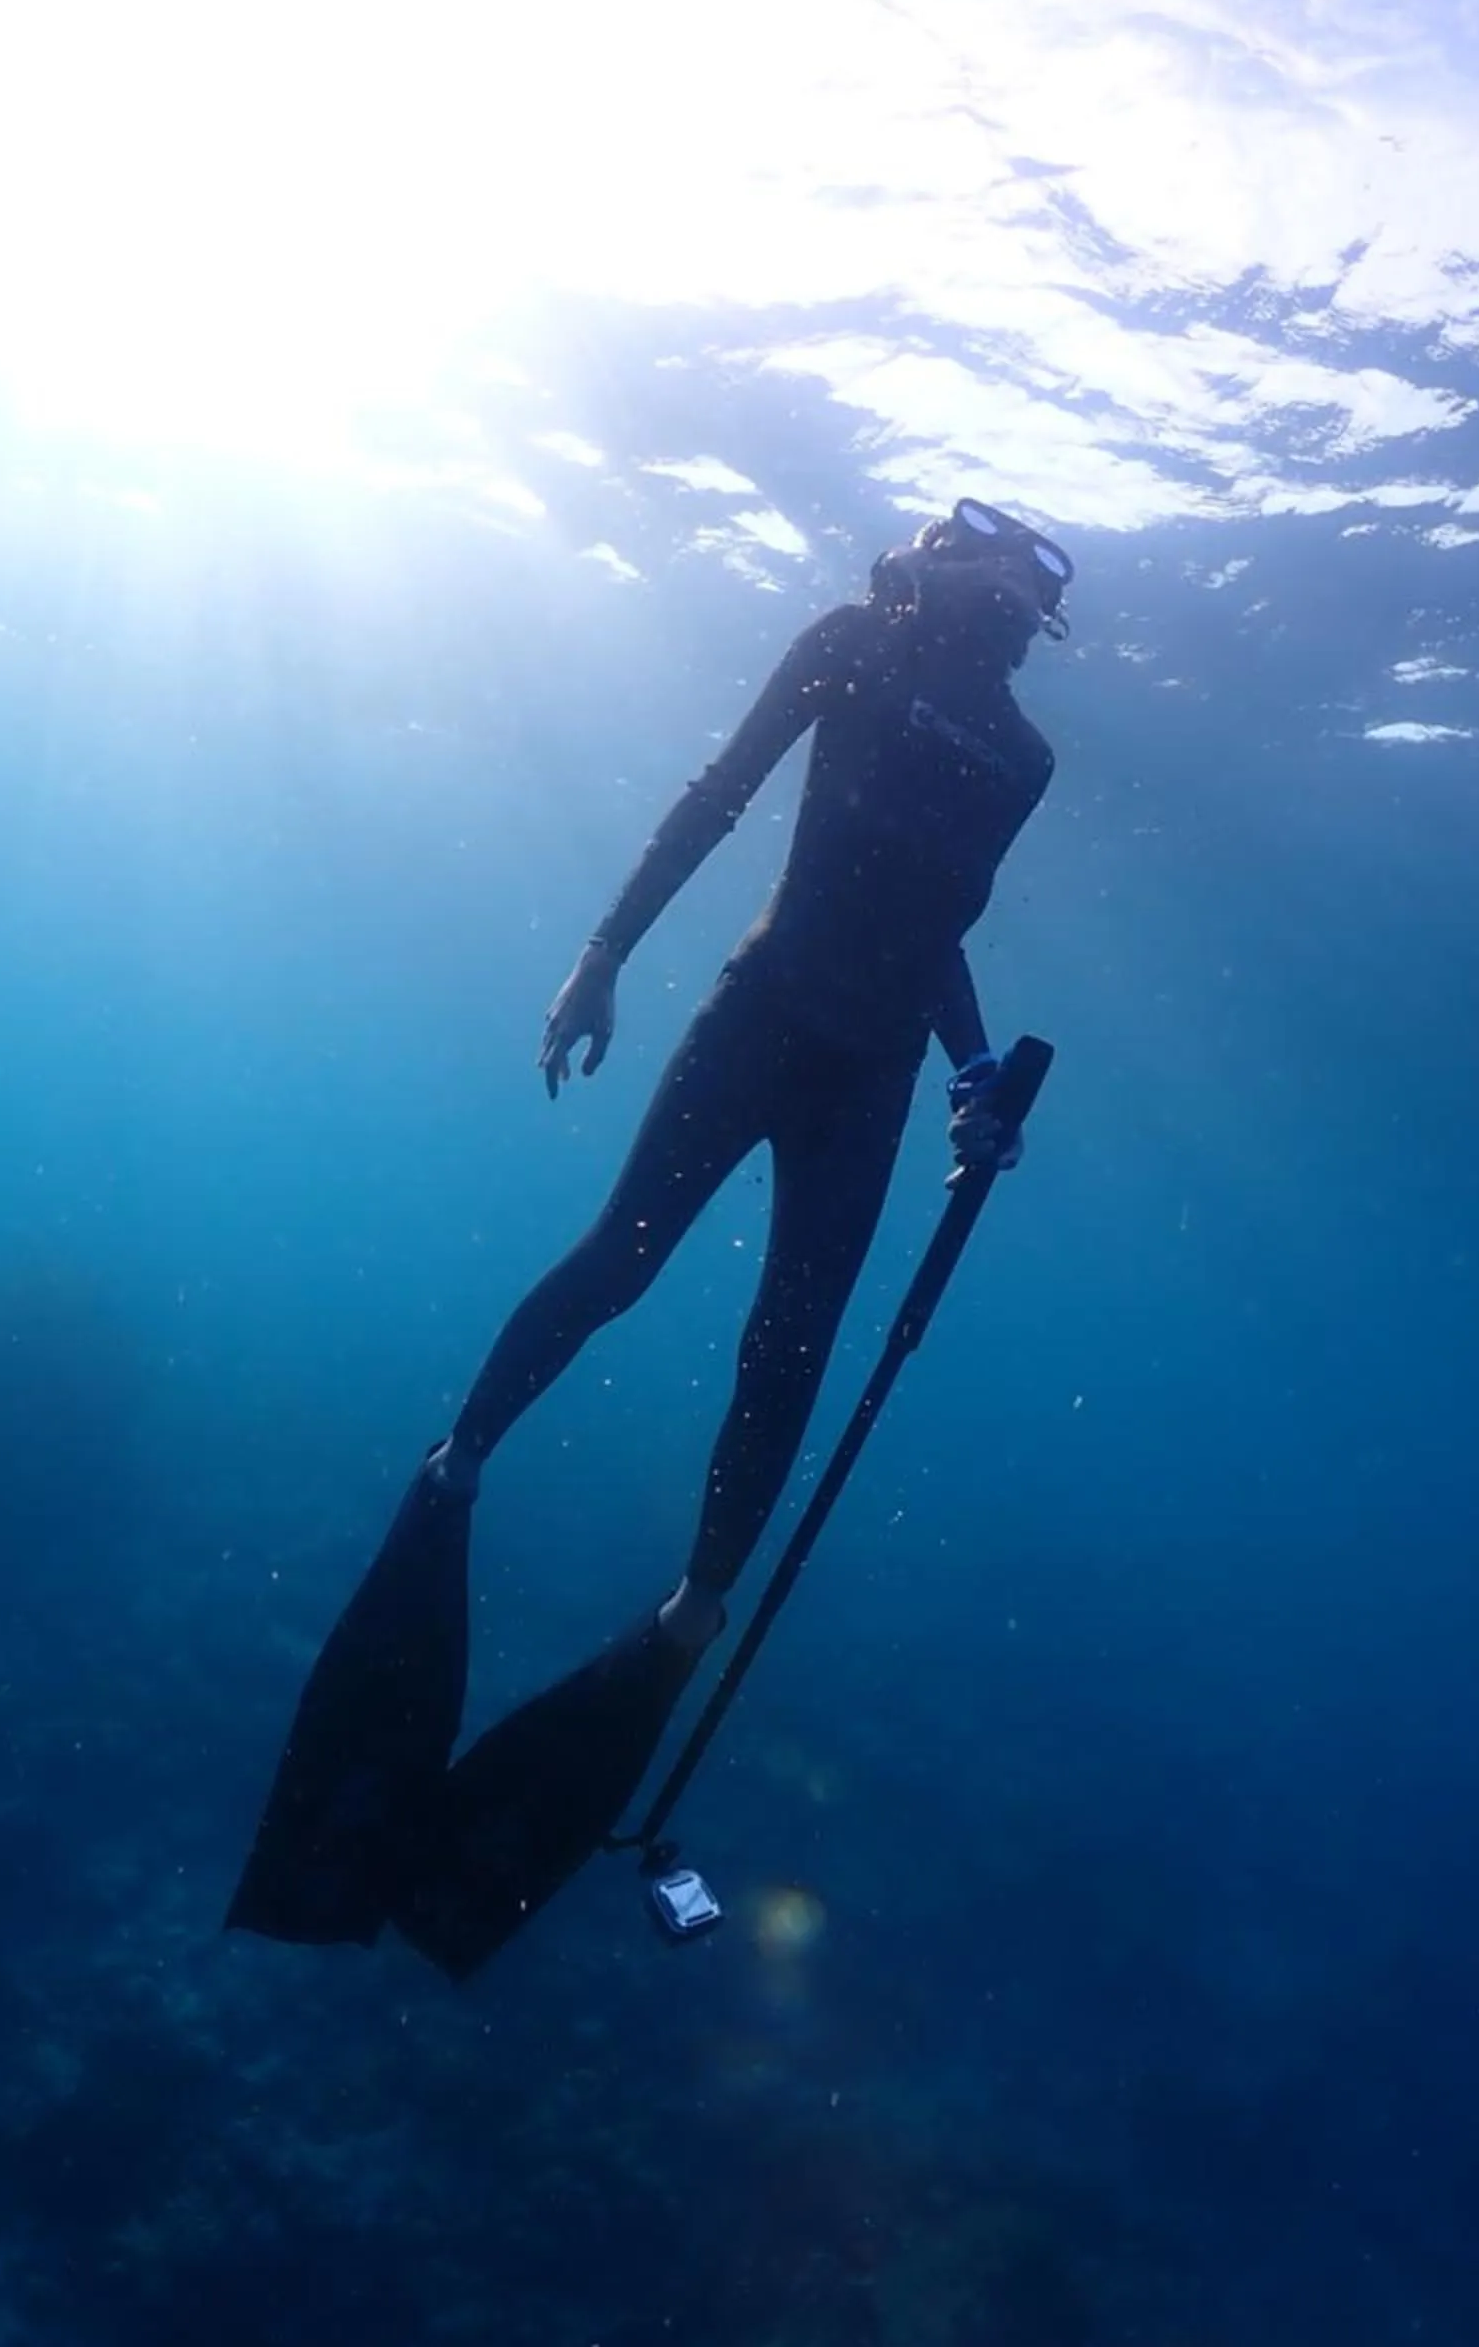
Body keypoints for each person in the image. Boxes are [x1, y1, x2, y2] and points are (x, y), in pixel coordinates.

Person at [229, 494, 1068, 1976]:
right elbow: (720, 796)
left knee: (789, 1347)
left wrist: (969, 1072)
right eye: (973, 563)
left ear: (1029, 614)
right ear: (935, 568)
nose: (987, 590)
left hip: (869, 1074)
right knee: (622, 1258)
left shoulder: (1019, 758)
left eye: (1013, 580)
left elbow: (939, 925)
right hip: (762, 1017)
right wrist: (601, 954)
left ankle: (689, 1610)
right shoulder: (846, 649)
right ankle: (461, 1464)